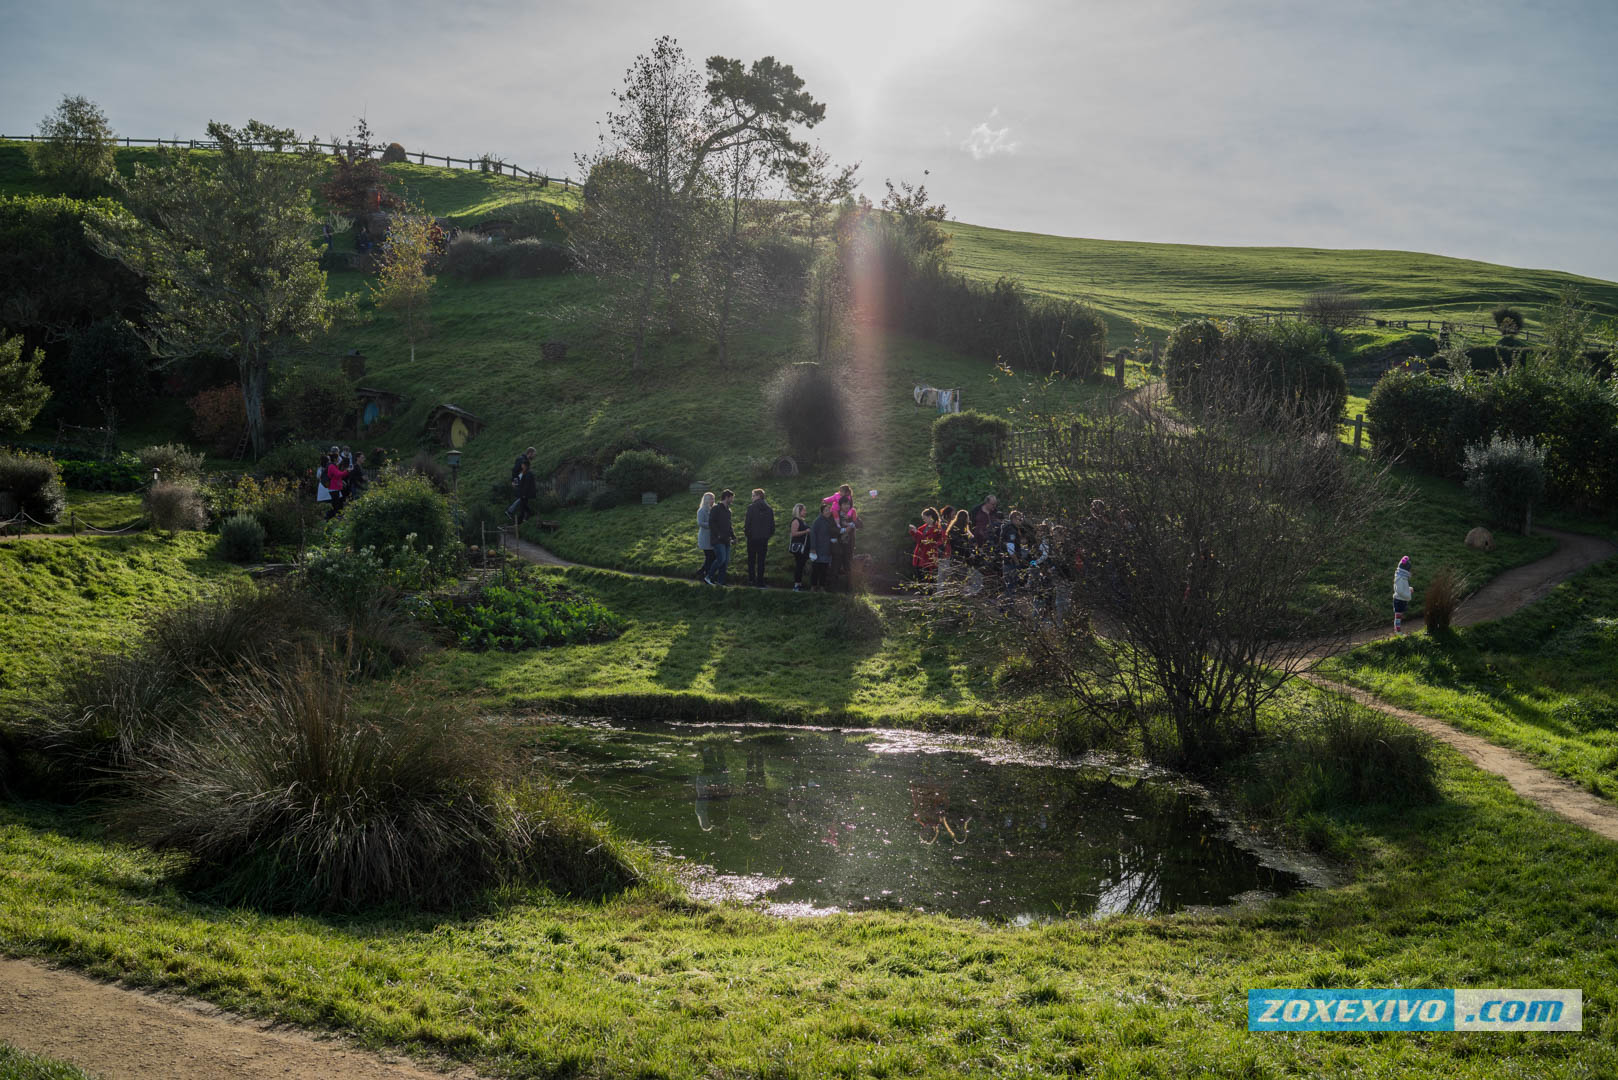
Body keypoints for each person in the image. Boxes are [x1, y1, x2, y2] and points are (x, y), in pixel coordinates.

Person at [743, 488, 776, 587]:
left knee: (751, 560)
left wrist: (748, 534)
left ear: (758, 496)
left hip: (752, 538)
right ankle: (760, 581)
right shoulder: (769, 509)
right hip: (764, 538)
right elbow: (772, 526)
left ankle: (751, 580)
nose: (752, 497)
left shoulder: (751, 508)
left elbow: (747, 524)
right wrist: (767, 535)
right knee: (761, 560)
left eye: (753, 495)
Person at [707, 489, 736, 586]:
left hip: (727, 540)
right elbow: (711, 523)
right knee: (721, 559)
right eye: (732, 498)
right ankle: (708, 577)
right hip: (717, 539)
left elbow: (729, 525)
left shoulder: (728, 511)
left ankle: (721, 582)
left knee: (725, 562)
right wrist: (718, 534)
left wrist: (733, 536)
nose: (732, 500)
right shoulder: (716, 508)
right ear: (726, 497)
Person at [808, 501, 837, 591]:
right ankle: (813, 587)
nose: (828, 512)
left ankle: (822, 587)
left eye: (829, 510)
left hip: (827, 549)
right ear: (822, 512)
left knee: (824, 570)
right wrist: (813, 548)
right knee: (816, 569)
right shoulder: (818, 521)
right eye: (826, 510)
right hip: (818, 549)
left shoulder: (830, 520)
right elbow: (812, 534)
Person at [909, 508, 944, 583]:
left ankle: (928, 593)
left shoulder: (937, 528)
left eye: (924, 518)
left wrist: (916, 532)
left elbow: (928, 541)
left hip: (929, 556)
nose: (923, 520)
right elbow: (920, 541)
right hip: (920, 554)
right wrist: (914, 532)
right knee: (920, 576)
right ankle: (922, 593)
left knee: (928, 577)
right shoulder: (923, 528)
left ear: (930, 517)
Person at [788, 502, 811, 591]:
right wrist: (806, 531)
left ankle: (799, 584)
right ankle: (796, 585)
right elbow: (793, 533)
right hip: (799, 547)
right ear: (799, 511)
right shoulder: (796, 521)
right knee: (799, 565)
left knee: (800, 565)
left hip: (803, 547)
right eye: (804, 510)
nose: (805, 512)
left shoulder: (801, 521)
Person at [507, 459, 537, 524]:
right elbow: (523, 483)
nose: (521, 466)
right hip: (524, 493)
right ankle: (525, 518)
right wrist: (517, 484)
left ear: (525, 466)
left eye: (522, 465)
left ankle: (519, 521)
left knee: (523, 507)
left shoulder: (528, 473)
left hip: (526, 494)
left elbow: (526, 485)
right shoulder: (525, 473)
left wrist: (523, 494)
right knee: (523, 507)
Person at [696, 491, 716, 582]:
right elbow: (700, 523)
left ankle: (702, 572)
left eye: (713, 498)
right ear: (706, 500)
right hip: (705, 537)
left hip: (713, 537)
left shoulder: (714, 509)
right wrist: (712, 524)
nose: (712, 500)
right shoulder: (701, 510)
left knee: (712, 557)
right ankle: (706, 575)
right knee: (710, 556)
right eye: (711, 499)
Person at [1393, 555, 1413, 635]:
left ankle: (1397, 630)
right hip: (1399, 600)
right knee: (1398, 616)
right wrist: (1408, 595)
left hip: (1401, 599)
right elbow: (1400, 591)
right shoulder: (1400, 578)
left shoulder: (1402, 577)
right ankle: (1397, 632)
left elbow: (1402, 588)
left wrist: (1408, 589)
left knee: (1399, 616)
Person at [324, 454, 349, 520]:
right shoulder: (332, 466)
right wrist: (347, 471)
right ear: (335, 459)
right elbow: (338, 474)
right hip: (333, 487)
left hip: (335, 487)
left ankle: (332, 517)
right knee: (335, 504)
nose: (339, 459)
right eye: (338, 458)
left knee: (336, 503)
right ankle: (330, 517)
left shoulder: (334, 465)